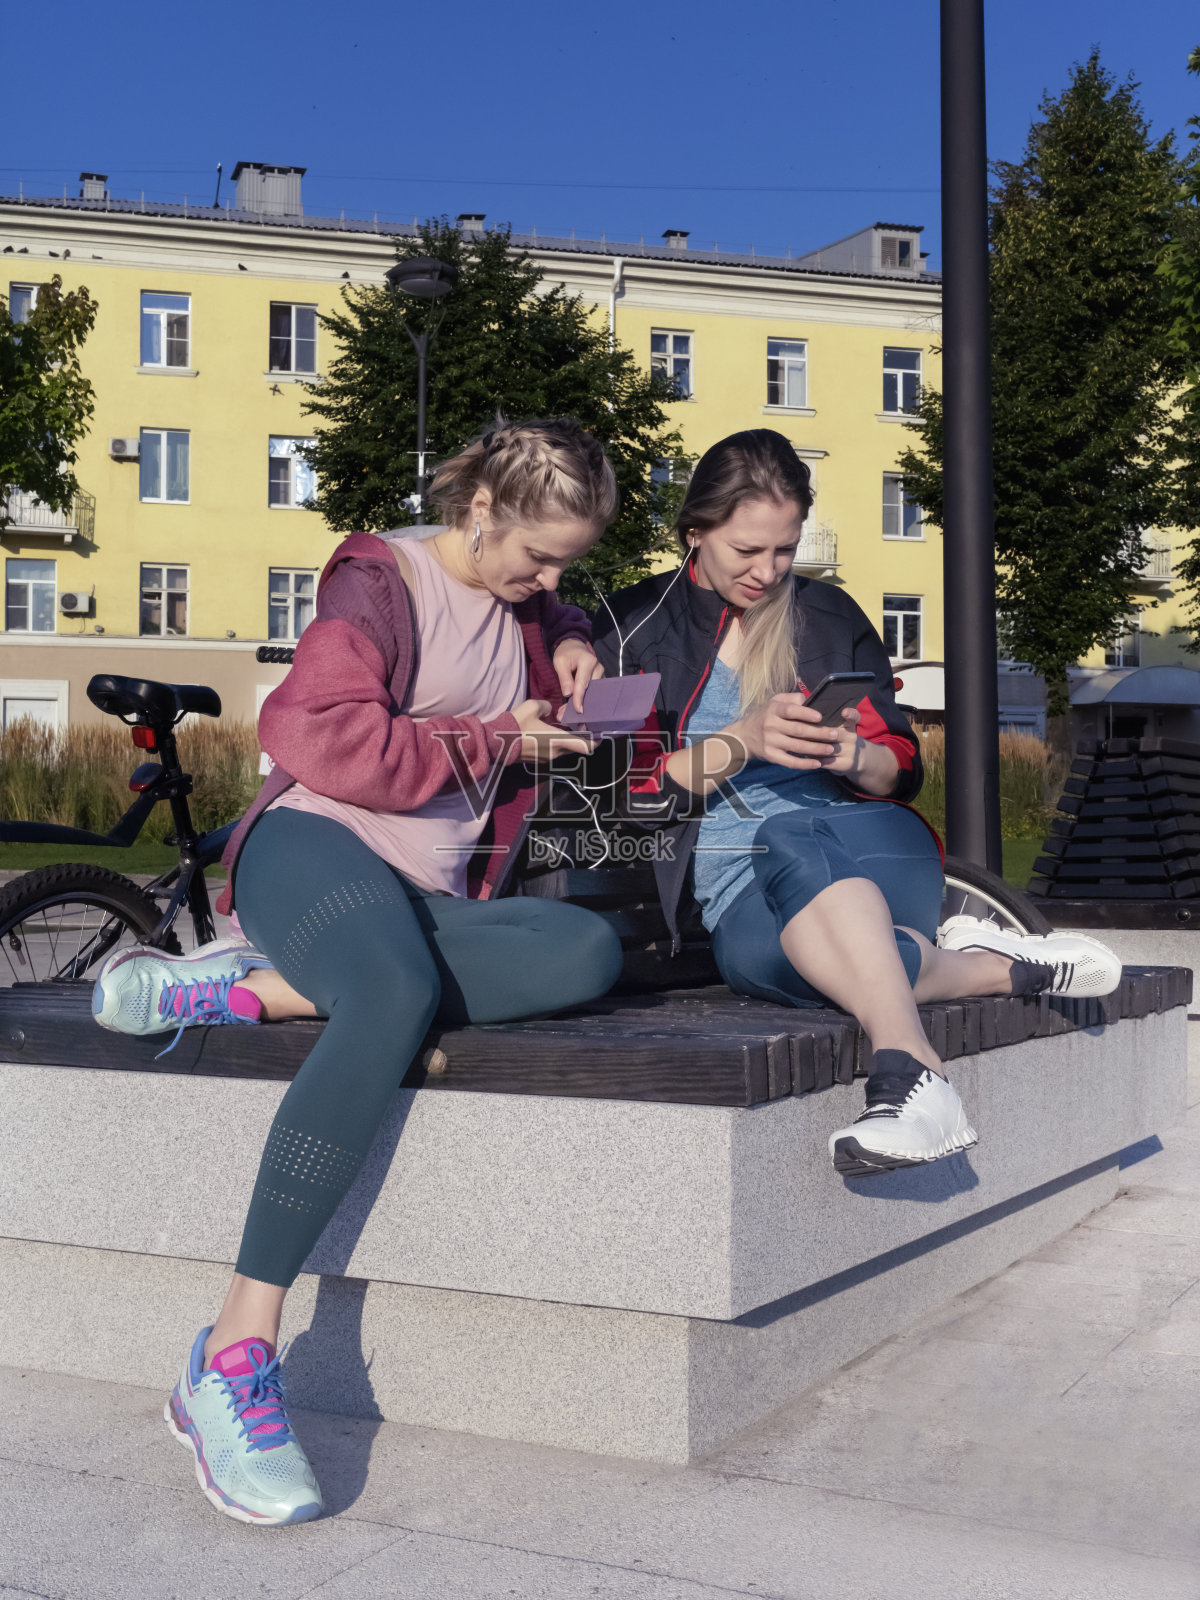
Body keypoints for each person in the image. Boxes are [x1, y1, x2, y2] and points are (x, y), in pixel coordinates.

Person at [91, 418, 624, 1526]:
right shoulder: (377, 580)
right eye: (541, 555)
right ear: (482, 511)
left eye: (568, 563)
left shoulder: (528, 604)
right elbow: (321, 739)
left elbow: (538, 615)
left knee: (587, 948)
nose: (550, 579)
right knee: (392, 993)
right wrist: (494, 743)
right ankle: (233, 1354)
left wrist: (569, 634)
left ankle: (251, 987)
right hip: (314, 846)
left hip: (417, 895)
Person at [586, 429, 1120, 1178]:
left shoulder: (828, 616)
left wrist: (852, 756)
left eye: (784, 550)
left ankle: (909, 1076)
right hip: (736, 895)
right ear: (694, 531)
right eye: (746, 550)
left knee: (786, 832)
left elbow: (902, 767)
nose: (767, 572)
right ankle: (995, 966)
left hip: (863, 845)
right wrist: (740, 741)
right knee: (763, 965)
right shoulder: (630, 624)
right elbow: (624, 794)